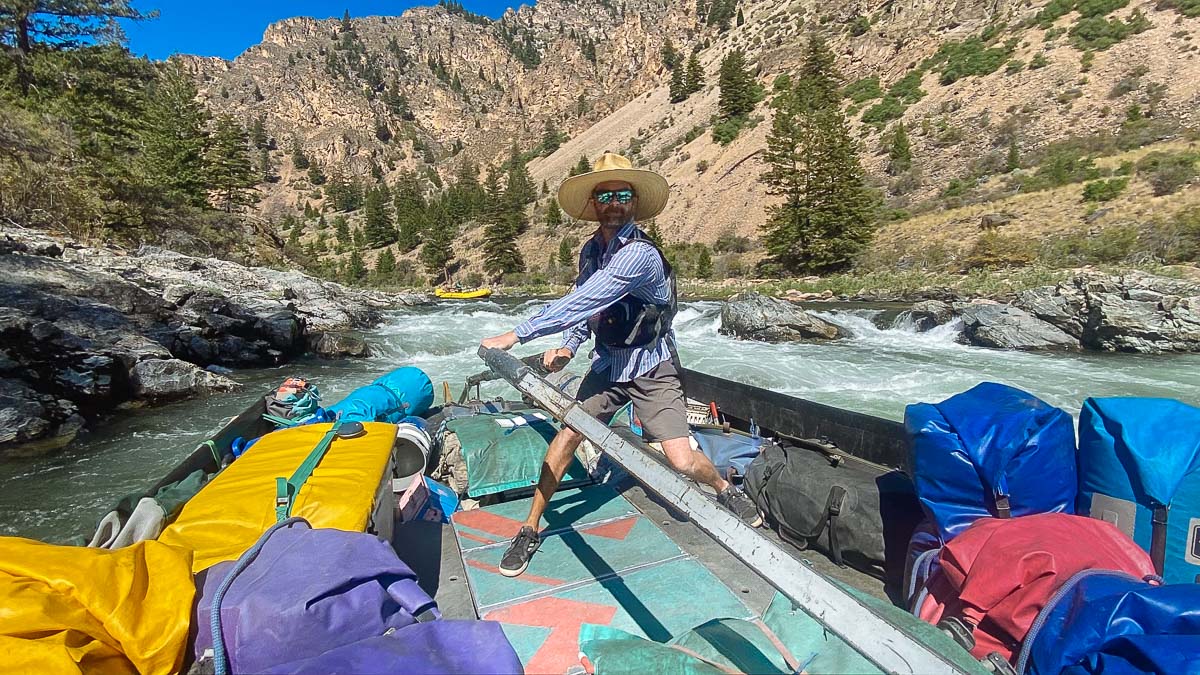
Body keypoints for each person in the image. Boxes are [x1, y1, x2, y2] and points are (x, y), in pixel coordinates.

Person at [480, 153, 762, 578]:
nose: (614, 204)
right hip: (608, 366)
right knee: (567, 435)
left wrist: (516, 335)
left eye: (623, 196)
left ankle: (723, 487)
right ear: (593, 203)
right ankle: (530, 527)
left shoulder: (640, 255)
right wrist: (570, 345)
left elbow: (586, 299)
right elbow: (589, 310)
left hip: (652, 367)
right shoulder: (591, 251)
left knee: (682, 462)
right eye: (605, 196)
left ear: (635, 203)